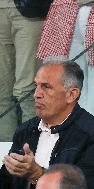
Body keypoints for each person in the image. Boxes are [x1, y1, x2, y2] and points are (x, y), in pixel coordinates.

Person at [0, 61, 94, 189]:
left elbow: (89, 186)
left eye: (46, 87)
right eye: (36, 86)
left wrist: (38, 175)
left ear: (71, 95)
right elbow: (5, 181)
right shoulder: (25, 130)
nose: (36, 94)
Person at [0, 0, 43, 142]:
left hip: (28, 11)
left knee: (27, 90)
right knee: (2, 91)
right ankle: (6, 154)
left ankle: (30, 149)